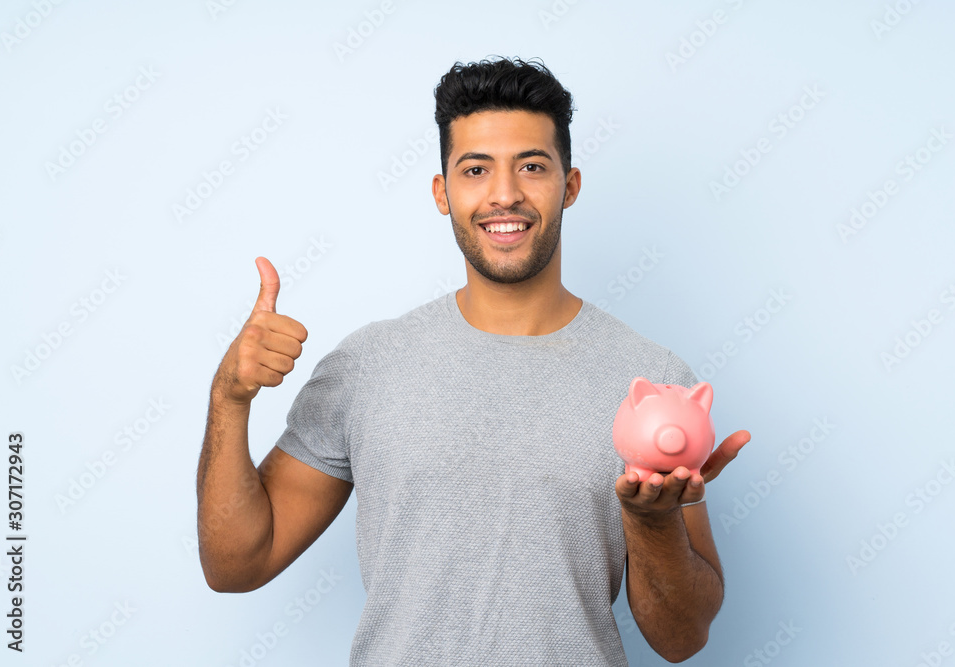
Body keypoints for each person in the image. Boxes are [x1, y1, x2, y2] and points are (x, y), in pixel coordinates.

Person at [196, 56, 750, 666]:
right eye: (476, 169)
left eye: (532, 166)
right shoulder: (367, 366)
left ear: (570, 186)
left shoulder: (654, 386)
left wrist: (651, 523)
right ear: (443, 192)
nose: (504, 194)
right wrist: (230, 397)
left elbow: (682, 639)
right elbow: (235, 564)